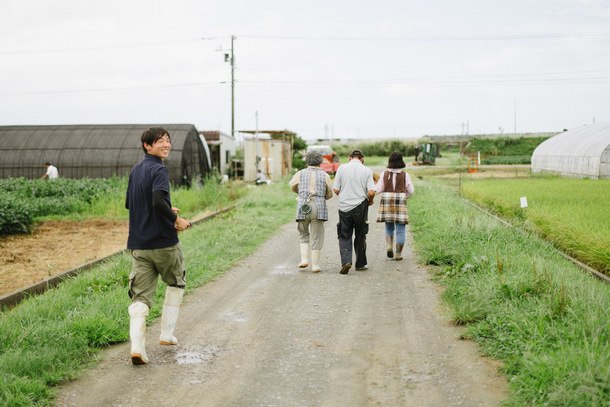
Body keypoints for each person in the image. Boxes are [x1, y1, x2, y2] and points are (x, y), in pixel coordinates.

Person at [125, 127, 192, 365]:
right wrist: (176, 219)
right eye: (160, 141)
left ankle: (138, 348)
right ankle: (166, 334)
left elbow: (134, 204)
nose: (166, 144)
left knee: (140, 297)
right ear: (147, 145)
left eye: (168, 141)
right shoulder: (159, 169)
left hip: (139, 245)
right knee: (176, 282)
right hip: (164, 243)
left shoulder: (136, 170)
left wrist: (166, 208)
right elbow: (156, 200)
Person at [289, 149, 333, 273]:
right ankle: (315, 265)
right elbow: (329, 193)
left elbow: (292, 185)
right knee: (317, 235)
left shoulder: (300, 173)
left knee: (303, 232)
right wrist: (322, 197)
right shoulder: (325, 175)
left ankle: (304, 260)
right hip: (318, 206)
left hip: (303, 204)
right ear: (321, 162)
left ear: (307, 161)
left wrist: (301, 192)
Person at [333, 149, 376, 274]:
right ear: (362, 159)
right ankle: (361, 263)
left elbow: (336, 190)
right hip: (360, 206)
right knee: (360, 234)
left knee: (344, 234)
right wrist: (370, 200)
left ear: (349, 157)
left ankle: (346, 261)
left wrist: (345, 196)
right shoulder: (367, 170)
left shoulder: (341, 168)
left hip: (344, 206)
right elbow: (371, 192)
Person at [375, 152, 414, 261]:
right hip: (400, 200)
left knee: (389, 227)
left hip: (387, 199)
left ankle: (389, 246)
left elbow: (378, 189)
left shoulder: (384, 174)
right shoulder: (405, 175)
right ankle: (398, 254)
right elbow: (411, 190)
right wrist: (405, 197)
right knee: (401, 229)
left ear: (390, 161)